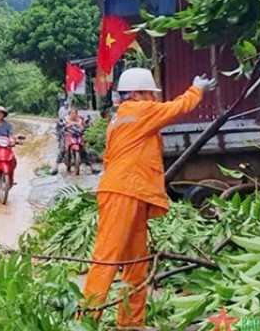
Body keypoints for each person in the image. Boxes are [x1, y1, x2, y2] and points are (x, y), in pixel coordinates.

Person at [81, 68, 216, 327]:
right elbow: (176, 108)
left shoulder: (119, 119)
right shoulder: (138, 110)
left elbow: (110, 158)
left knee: (136, 264)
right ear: (134, 93)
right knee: (107, 260)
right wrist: (196, 89)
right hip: (124, 192)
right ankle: (84, 322)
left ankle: (130, 323)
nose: (152, 99)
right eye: (148, 93)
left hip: (128, 192)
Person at [51, 107, 100, 175]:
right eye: (72, 113)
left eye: (74, 113)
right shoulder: (65, 119)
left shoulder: (80, 120)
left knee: (83, 151)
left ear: (77, 114)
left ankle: (92, 169)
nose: (73, 115)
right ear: (69, 114)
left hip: (77, 136)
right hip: (68, 136)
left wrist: (83, 127)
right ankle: (55, 167)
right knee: (63, 149)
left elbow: (83, 126)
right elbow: (62, 125)